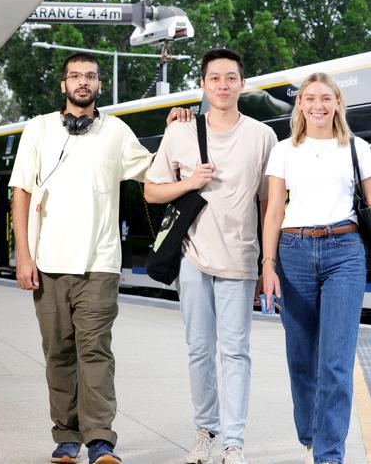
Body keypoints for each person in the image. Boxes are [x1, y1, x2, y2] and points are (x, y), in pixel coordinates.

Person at [9, 53, 153, 464]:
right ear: (63, 85)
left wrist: (178, 133)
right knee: (58, 353)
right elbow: (21, 192)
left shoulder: (117, 132)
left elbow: (153, 171)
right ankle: (66, 436)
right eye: (75, 76)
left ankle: (101, 440)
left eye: (90, 76)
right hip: (48, 263)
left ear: (99, 86)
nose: (83, 82)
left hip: (99, 264)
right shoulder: (37, 130)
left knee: (95, 352)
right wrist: (24, 255)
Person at [144, 48, 277, 464]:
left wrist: (266, 264)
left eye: (230, 78)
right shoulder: (181, 131)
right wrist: (189, 183)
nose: (223, 85)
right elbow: (151, 191)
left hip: (239, 258)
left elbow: (269, 205)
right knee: (199, 349)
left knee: (236, 352)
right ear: (203, 84)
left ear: (242, 84)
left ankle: (233, 442)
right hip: (192, 257)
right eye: (214, 78)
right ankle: (205, 431)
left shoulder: (262, 137)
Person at [261, 72, 371, 464]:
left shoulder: (357, 148)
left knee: (336, 361)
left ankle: (329, 455)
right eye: (310, 98)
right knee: (301, 357)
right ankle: (311, 436)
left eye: (326, 98)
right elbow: (272, 212)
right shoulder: (284, 150)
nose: (318, 105)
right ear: (299, 105)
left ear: (338, 103)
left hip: (345, 252)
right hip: (294, 251)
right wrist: (268, 264)